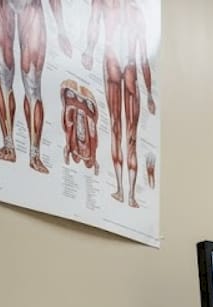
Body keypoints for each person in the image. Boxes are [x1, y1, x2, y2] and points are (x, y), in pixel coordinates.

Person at [0, 0, 72, 173]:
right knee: (2, 68)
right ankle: (9, 146)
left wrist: (61, 29)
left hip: (31, 5)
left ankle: (34, 156)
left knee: (32, 82)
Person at [81, 0, 156, 207]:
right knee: (129, 135)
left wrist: (88, 50)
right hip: (129, 65)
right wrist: (149, 93)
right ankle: (129, 195)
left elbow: (94, 24)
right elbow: (143, 58)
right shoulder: (136, 13)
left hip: (113, 60)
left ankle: (122, 191)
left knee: (117, 129)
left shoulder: (104, 4)